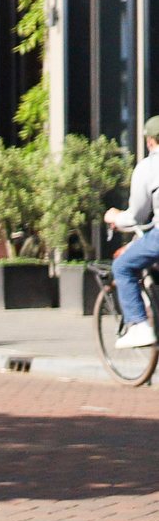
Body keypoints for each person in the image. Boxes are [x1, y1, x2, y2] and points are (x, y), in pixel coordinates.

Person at [101, 116, 159, 348]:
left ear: (149, 141)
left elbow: (137, 217)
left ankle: (139, 326)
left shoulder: (148, 167)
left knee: (122, 266)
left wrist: (115, 217)